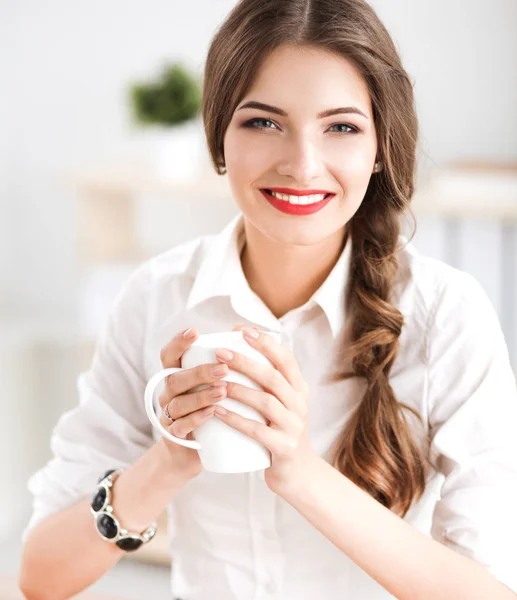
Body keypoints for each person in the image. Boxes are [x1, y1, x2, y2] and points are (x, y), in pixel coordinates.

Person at [19, 0, 517, 598]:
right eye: (263, 122)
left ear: (380, 146)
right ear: (219, 138)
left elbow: (489, 590)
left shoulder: (446, 316)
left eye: (341, 127)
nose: (303, 166)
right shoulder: (156, 298)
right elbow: (41, 576)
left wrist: (302, 472)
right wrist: (169, 460)